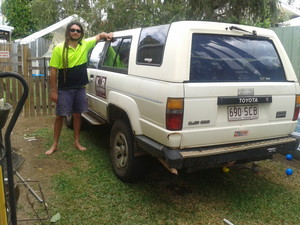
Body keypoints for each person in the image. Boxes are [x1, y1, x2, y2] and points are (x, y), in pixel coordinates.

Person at [45, 21, 113, 155]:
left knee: (77, 115)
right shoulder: (59, 48)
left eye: (78, 31)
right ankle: (55, 144)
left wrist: (107, 34)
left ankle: (77, 141)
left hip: (80, 89)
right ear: (68, 32)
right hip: (65, 89)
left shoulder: (85, 44)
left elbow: (99, 36)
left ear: (81, 33)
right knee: (60, 117)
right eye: (72, 30)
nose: (75, 32)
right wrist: (54, 91)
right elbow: (53, 71)